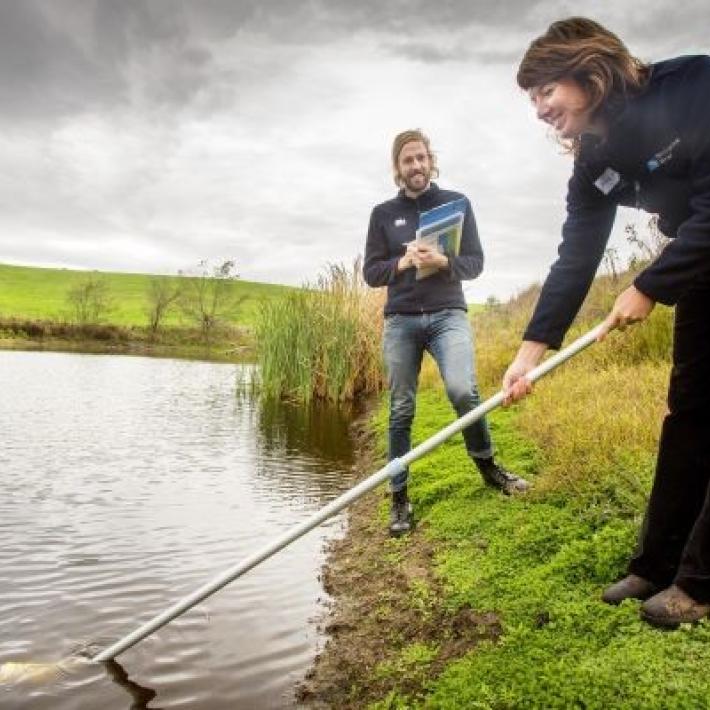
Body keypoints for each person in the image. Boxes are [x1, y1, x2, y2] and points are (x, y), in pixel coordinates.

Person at [503, 17, 710, 627]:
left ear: (589, 69)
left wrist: (648, 285)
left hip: (695, 251)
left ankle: (699, 585)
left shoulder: (691, 86)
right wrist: (529, 352)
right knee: (689, 412)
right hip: (699, 266)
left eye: (546, 91)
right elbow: (576, 256)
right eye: (533, 98)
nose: (539, 109)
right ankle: (657, 563)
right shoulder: (593, 160)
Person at [364, 129, 529, 536]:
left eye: (421, 158)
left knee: (463, 391)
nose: (416, 166)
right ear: (397, 168)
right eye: (407, 160)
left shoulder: (457, 204)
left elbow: (475, 263)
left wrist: (442, 260)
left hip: (448, 314)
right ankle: (399, 497)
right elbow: (371, 273)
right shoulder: (383, 214)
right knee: (401, 406)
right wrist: (401, 264)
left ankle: (489, 468)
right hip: (401, 318)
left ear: (430, 160)